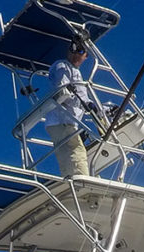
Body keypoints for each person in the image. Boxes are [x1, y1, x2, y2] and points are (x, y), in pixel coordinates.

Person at [45, 40, 97, 178]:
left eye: (80, 51)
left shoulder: (73, 71)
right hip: (63, 120)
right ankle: (82, 182)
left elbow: (80, 96)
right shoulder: (62, 66)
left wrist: (93, 106)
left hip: (59, 122)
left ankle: (68, 182)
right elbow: (63, 91)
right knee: (77, 151)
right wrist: (84, 104)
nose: (75, 54)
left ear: (86, 56)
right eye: (72, 50)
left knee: (65, 155)